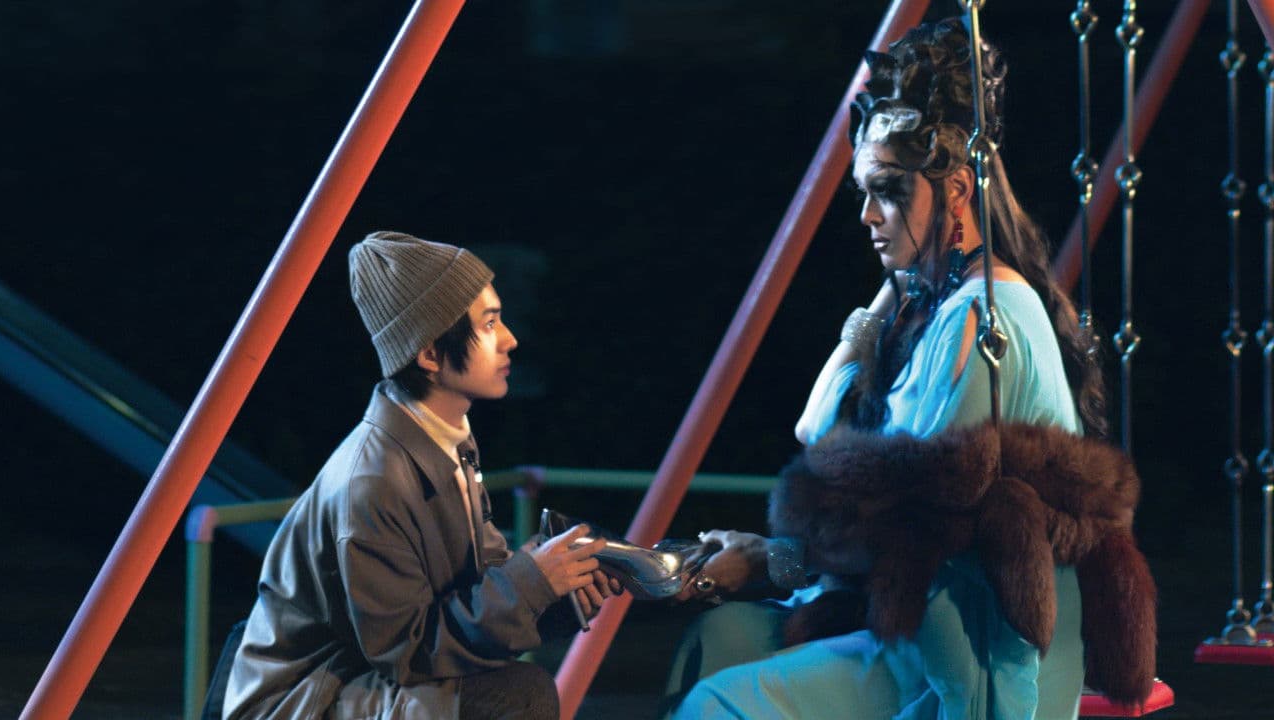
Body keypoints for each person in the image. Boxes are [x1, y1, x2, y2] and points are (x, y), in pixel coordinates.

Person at [662, 19, 1156, 720]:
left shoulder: (982, 317)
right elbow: (814, 428)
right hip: (912, 616)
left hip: (969, 646)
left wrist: (774, 561)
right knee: (719, 638)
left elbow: (903, 521)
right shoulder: (932, 305)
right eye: (864, 192)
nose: (868, 215)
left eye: (889, 190)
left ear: (956, 190)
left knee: (720, 703)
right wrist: (885, 300)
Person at [224, 231, 620, 720]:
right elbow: (407, 652)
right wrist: (530, 584)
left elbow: (479, 586)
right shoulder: (373, 481)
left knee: (516, 687)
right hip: (303, 698)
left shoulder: (446, 440)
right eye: (489, 323)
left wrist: (560, 591)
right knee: (518, 694)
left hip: (361, 678)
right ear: (430, 354)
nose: (510, 339)